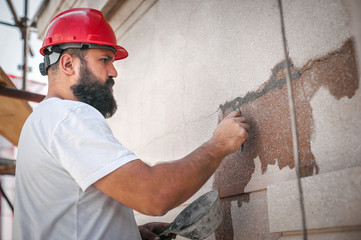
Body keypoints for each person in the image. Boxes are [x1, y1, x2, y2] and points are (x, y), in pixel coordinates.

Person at [12, 8, 250, 240]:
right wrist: (219, 144)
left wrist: (129, 231)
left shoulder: (40, 122)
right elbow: (154, 195)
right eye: (104, 60)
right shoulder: (69, 116)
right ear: (68, 64)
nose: (113, 71)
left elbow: (67, 218)